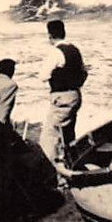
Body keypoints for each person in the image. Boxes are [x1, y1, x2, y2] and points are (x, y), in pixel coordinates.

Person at [40, 19, 87, 163]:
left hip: (62, 97)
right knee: (68, 133)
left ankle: (48, 169)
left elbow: (43, 76)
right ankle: (71, 162)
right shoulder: (74, 50)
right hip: (76, 95)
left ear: (50, 36)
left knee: (49, 135)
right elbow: (84, 72)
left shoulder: (55, 52)